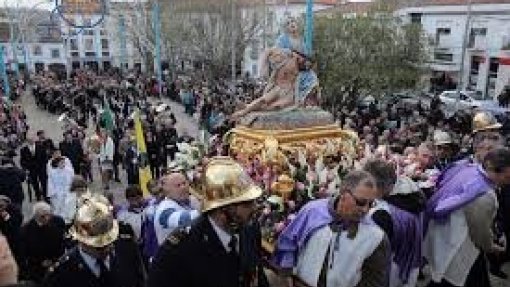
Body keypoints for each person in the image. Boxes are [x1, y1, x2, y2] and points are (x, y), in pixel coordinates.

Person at [148, 157, 268, 287]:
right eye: (247, 203)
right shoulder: (179, 250)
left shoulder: (249, 228)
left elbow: (256, 273)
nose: (254, 208)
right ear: (223, 209)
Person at [273, 170, 390, 287]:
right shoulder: (312, 211)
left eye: (371, 204)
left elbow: (375, 281)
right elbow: (288, 242)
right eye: (361, 202)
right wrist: (286, 276)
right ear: (343, 193)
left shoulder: (375, 237)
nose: (365, 209)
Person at [423, 147, 510, 287]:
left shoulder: (469, 168)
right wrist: (491, 247)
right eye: (507, 177)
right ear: (493, 169)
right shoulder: (484, 194)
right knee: (450, 278)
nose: (508, 182)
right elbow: (480, 234)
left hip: (442, 230)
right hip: (459, 242)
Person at [42, 194, 146, 287]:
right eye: (98, 246)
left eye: (110, 240)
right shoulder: (61, 274)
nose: (108, 248)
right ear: (80, 239)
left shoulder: (127, 249)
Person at [19, 202, 66, 283]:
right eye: (42, 216)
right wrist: (40, 262)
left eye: (49, 215)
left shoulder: (58, 221)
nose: (47, 218)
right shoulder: (26, 230)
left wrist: (55, 259)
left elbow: (62, 241)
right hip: (37, 268)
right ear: (35, 216)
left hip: (57, 262)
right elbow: (24, 252)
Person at [153, 172, 200, 245]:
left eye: (184, 183)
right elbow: (184, 220)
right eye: (178, 185)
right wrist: (208, 208)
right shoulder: (164, 209)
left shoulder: (190, 200)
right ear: (167, 191)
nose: (183, 187)